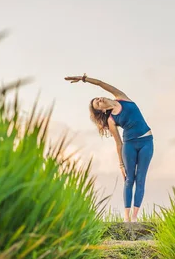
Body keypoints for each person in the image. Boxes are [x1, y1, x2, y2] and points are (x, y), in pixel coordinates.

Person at [65, 74, 154, 223]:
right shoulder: (112, 120)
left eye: (98, 99)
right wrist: (120, 164)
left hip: (147, 142)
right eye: (97, 104)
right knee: (129, 179)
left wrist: (83, 79)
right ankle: (127, 219)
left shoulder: (121, 97)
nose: (99, 100)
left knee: (141, 179)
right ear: (102, 111)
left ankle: (134, 217)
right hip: (129, 146)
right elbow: (118, 143)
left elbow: (100, 83)